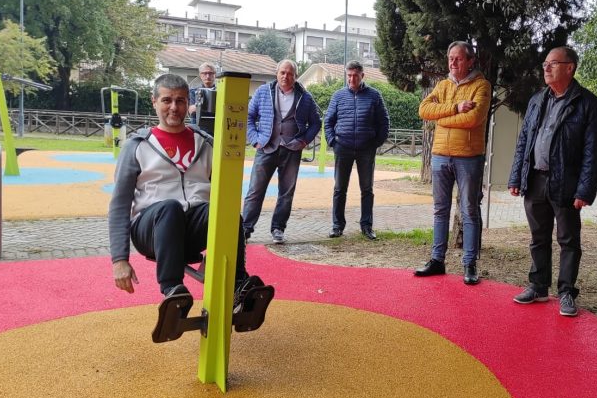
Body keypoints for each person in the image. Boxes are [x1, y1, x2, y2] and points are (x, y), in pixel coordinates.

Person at [108, 73, 252, 315]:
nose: (174, 107)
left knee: (225, 212)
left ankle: (238, 286)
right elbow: (120, 205)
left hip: (191, 228)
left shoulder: (205, 143)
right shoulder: (138, 146)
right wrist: (119, 259)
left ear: (189, 104)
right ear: (154, 102)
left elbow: (223, 190)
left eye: (180, 101)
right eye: (167, 100)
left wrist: (221, 240)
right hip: (151, 228)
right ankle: (173, 290)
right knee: (170, 207)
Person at [508, 46, 597, 316]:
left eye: (553, 63)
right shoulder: (537, 99)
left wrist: (585, 189)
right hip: (535, 178)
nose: (546, 68)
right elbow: (524, 141)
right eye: (545, 64)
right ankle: (538, 287)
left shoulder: (588, 103)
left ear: (570, 67)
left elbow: (592, 152)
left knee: (568, 240)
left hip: (567, 182)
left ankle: (566, 292)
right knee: (538, 237)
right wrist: (516, 175)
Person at [414, 41, 491, 285]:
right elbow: (424, 110)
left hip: (468, 157)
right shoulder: (443, 85)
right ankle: (437, 260)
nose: (452, 63)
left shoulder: (482, 86)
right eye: (450, 58)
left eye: (458, 58)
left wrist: (443, 117)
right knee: (440, 209)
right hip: (440, 155)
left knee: (469, 209)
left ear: (470, 61)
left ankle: (470, 264)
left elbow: (474, 119)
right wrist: (455, 108)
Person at [241, 59, 321, 244]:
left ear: (295, 75)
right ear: (276, 73)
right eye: (283, 72)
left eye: (290, 73)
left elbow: (316, 122)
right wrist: (255, 140)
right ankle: (245, 228)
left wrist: (303, 140)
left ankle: (278, 228)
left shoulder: (305, 97)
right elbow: (249, 117)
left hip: (292, 150)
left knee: (286, 192)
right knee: (255, 190)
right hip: (266, 147)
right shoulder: (262, 92)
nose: (286, 76)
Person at [324, 60, 390, 240]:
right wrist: (332, 142)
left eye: (355, 75)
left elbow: (384, 122)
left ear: (362, 76)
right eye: (349, 75)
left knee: (367, 189)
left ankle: (367, 226)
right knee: (339, 189)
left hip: (366, 149)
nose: (352, 79)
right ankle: (337, 226)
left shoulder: (374, 96)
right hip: (342, 148)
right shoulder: (338, 96)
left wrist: (376, 143)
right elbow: (328, 121)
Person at [189, 62, 217, 128]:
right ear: (200, 75)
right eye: (205, 73)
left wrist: (200, 106)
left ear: (215, 75)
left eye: (210, 73)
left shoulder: (220, 92)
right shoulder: (193, 91)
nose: (208, 76)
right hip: (198, 129)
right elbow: (191, 110)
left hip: (216, 128)